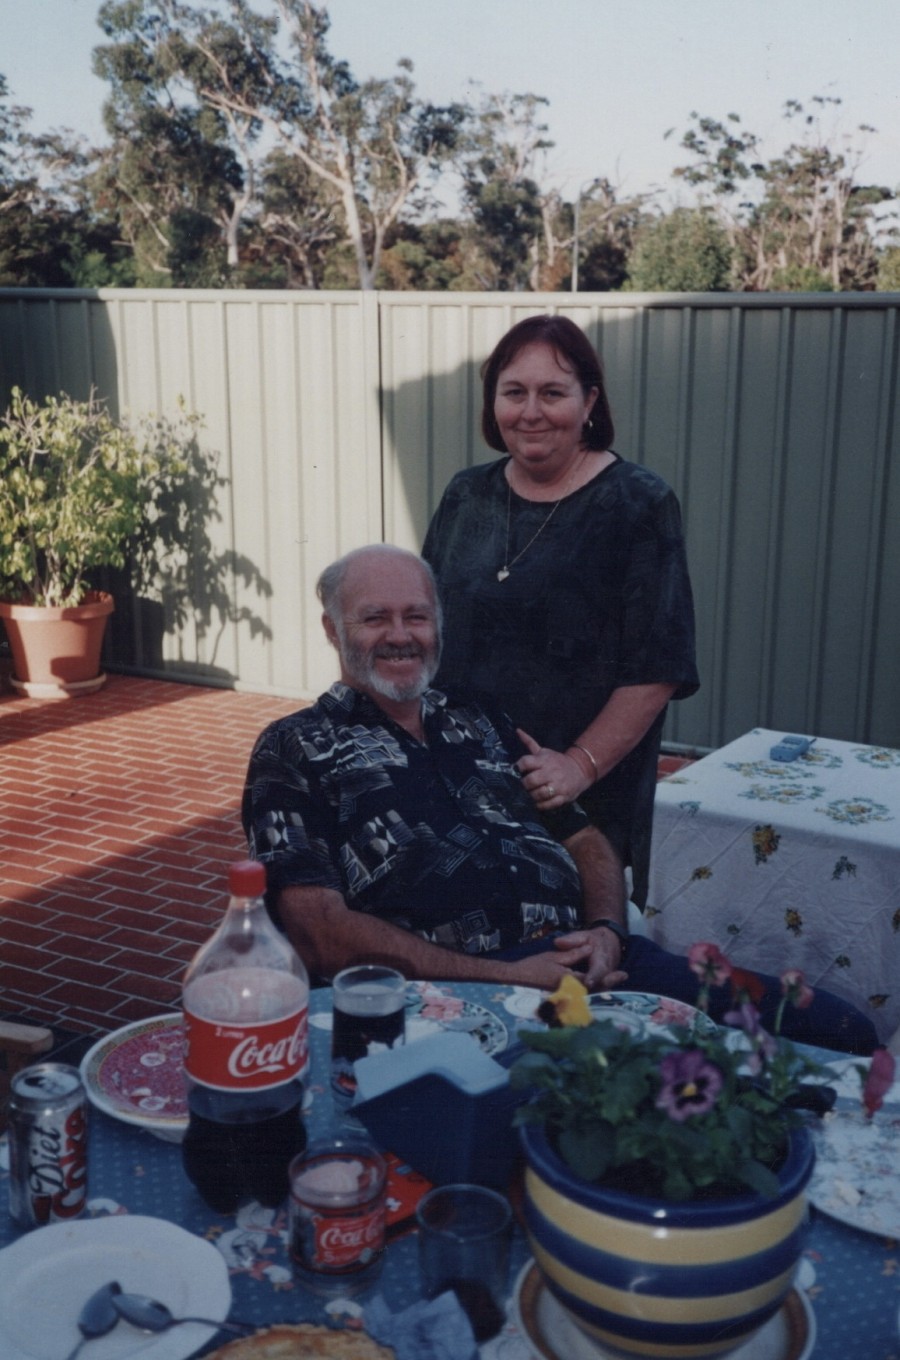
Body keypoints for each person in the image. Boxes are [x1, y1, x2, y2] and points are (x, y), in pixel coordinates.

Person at [241, 545, 876, 1054]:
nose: (400, 635)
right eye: (375, 617)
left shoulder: (479, 718)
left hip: (592, 964)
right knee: (636, 1104)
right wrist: (515, 975)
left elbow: (584, 839)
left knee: (836, 1030)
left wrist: (606, 931)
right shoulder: (295, 748)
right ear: (333, 629)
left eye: (416, 615)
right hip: (458, 998)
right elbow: (319, 933)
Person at [422, 314, 699, 911]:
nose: (531, 412)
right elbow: (427, 624)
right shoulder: (465, 494)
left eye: (553, 393)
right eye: (513, 392)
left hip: (574, 800)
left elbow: (659, 664)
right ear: (492, 399)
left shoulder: (638, 503)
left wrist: (577, 766)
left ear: (590, 400)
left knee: (560, 970)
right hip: (460, 783)